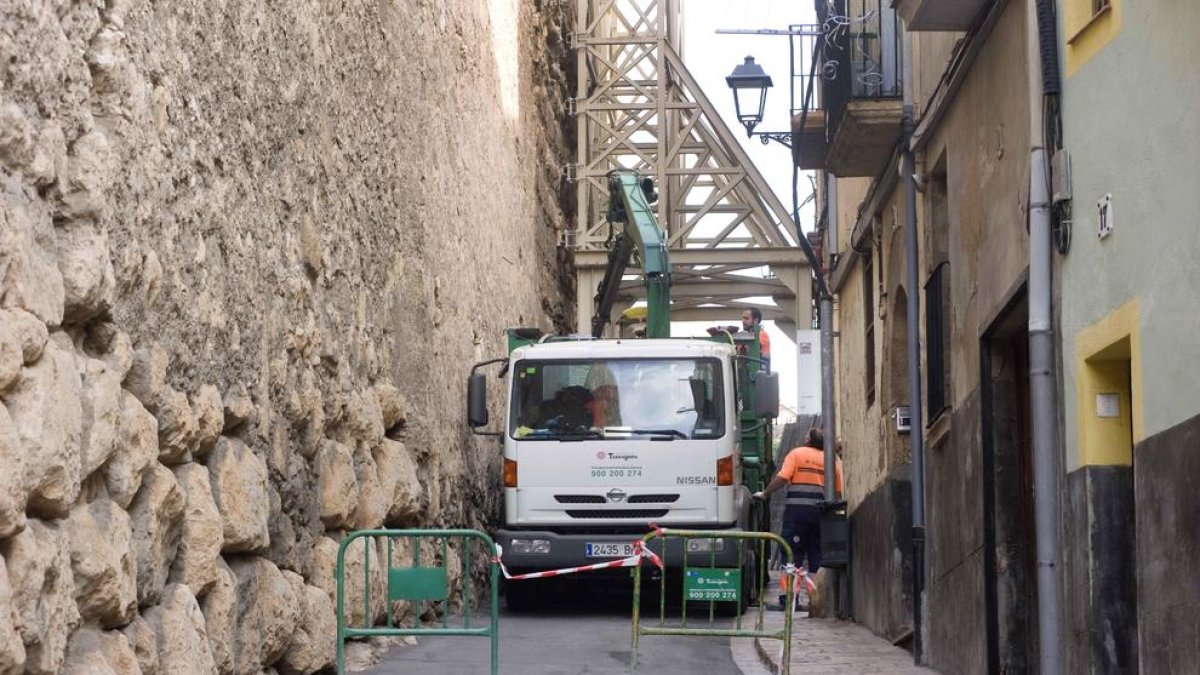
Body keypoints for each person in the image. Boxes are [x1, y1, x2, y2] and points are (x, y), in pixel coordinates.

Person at [753, 427, 842, 610]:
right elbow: (838, 491)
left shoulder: (797, 454)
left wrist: (765, 493)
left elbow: (783, 477)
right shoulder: (830, 460)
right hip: (821, 517)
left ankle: (789, 599)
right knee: (816, 557)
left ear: (808, 439)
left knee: (791, 556)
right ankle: (817, 600)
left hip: (797, 515)